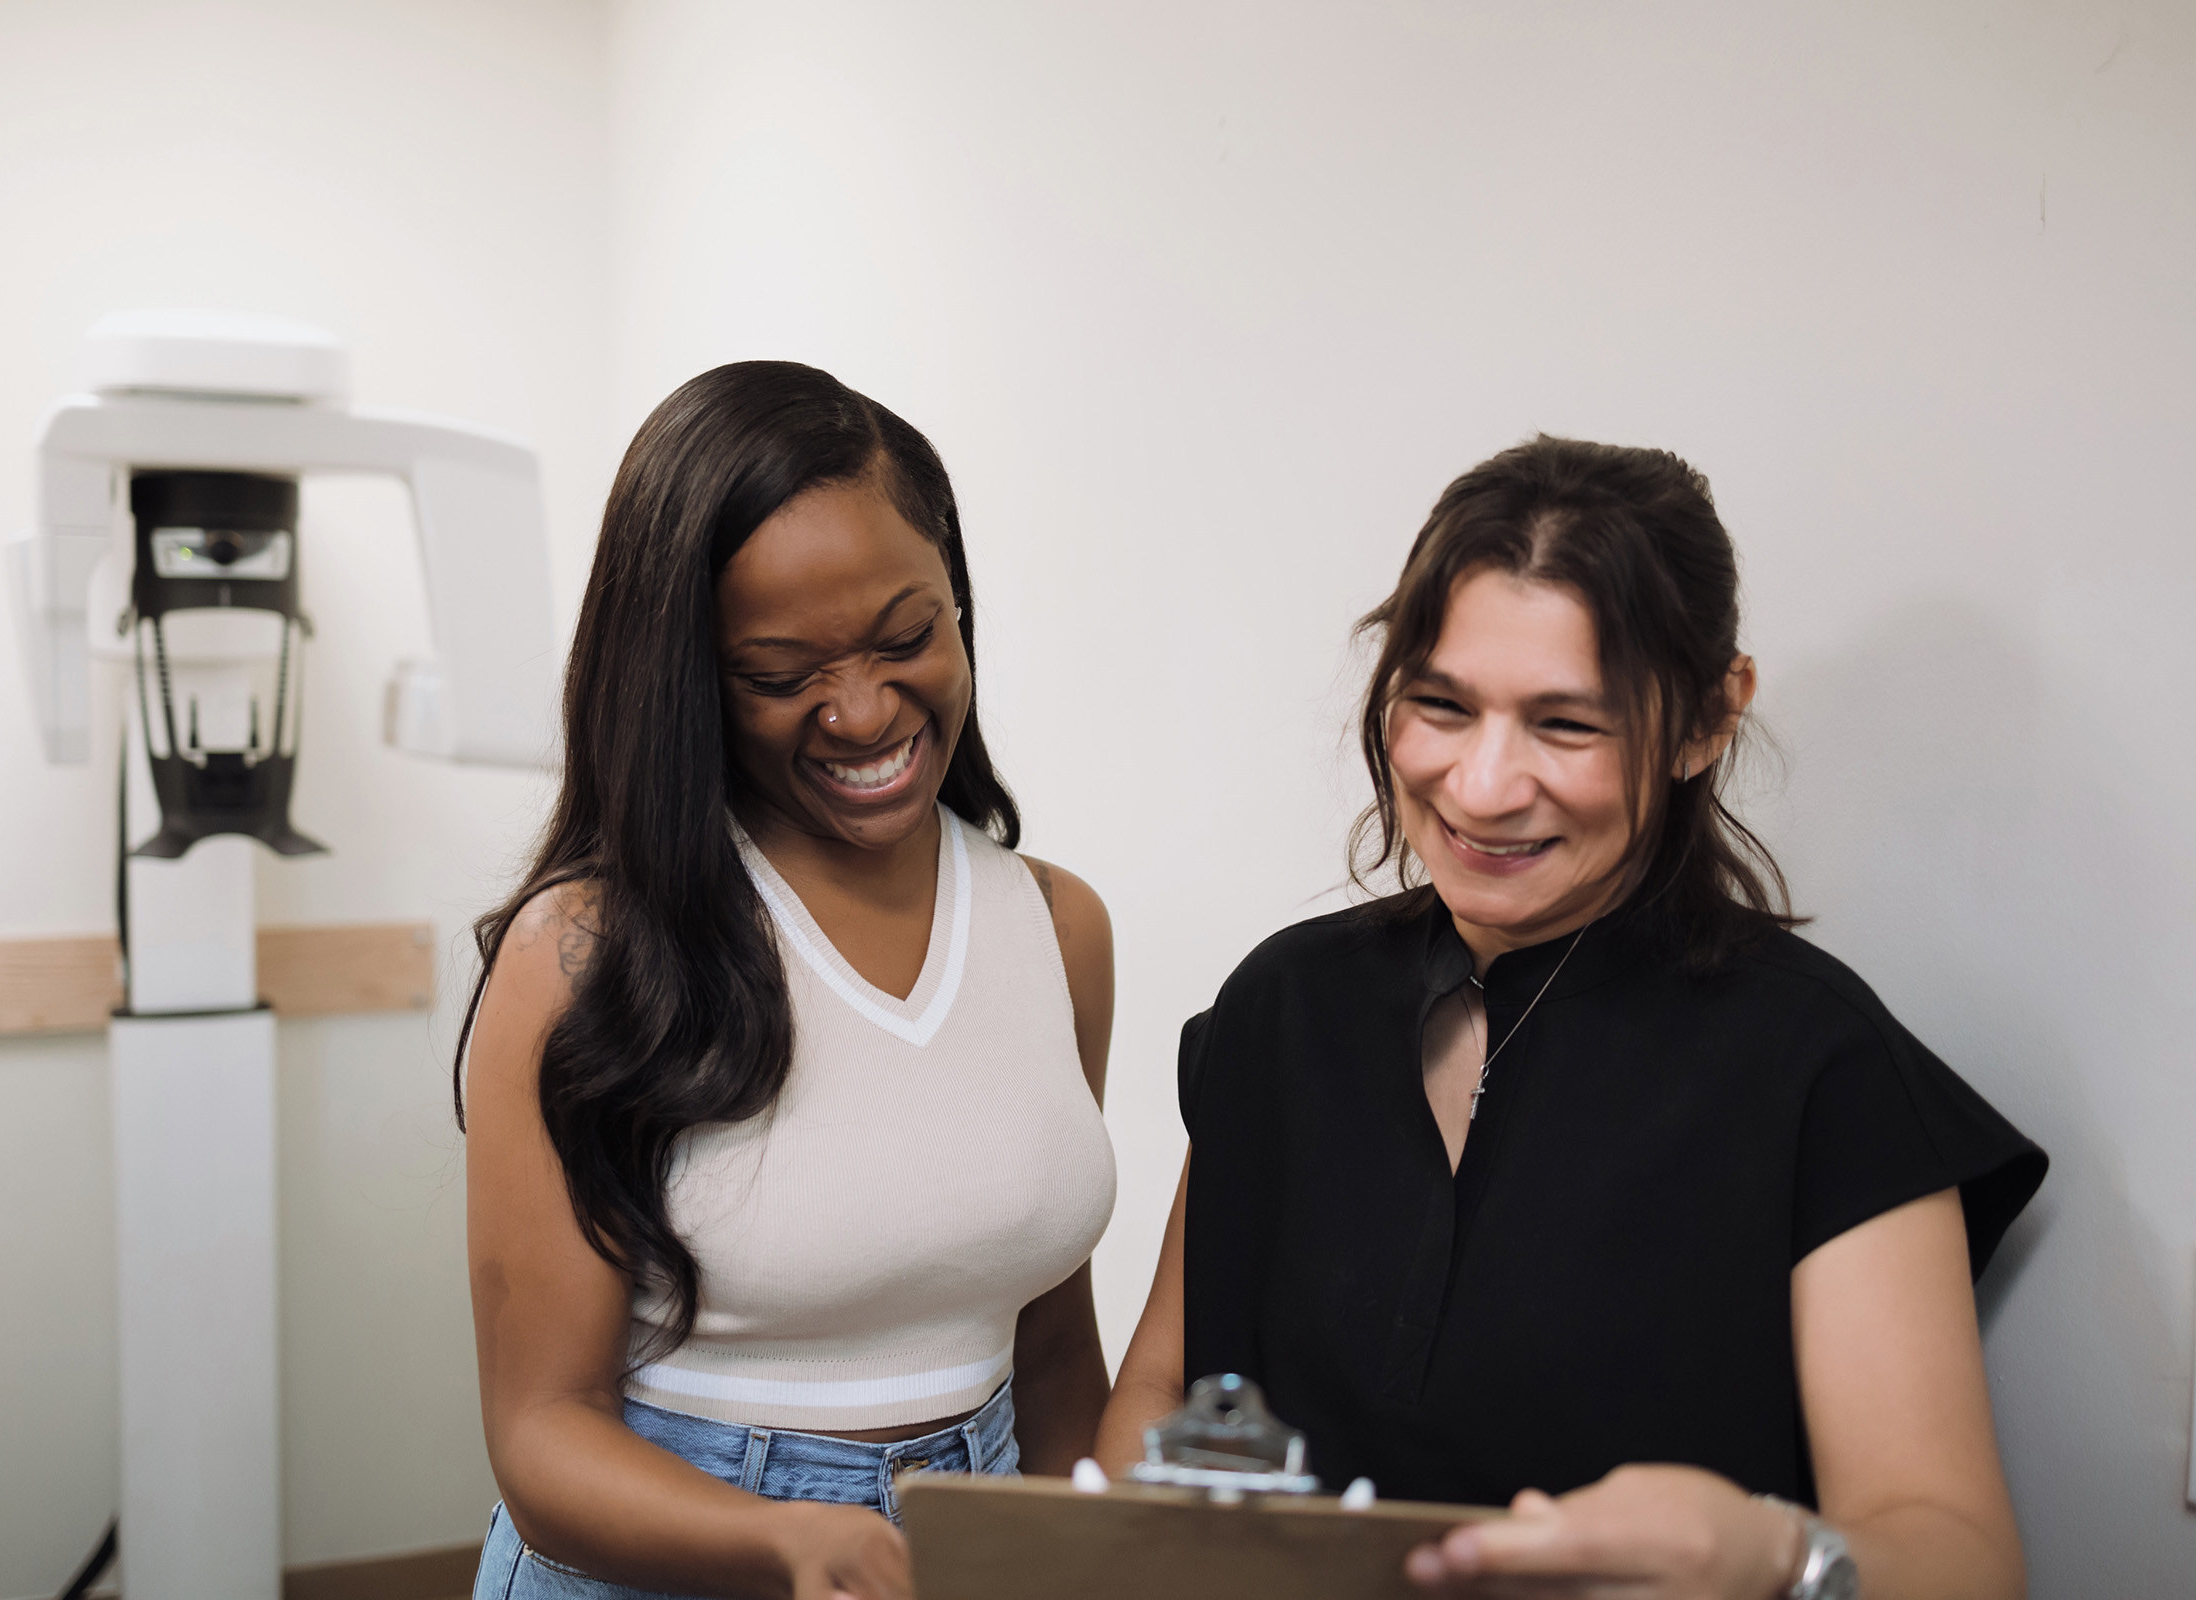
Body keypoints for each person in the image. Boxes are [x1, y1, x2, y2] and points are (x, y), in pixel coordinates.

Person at [1095, 436, 2046, 1600]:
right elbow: (1162, 1390)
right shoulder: (1281, 1009)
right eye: (1440, 705)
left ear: (1707, 718)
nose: (1484, 786)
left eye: (1566, 726)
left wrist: (1766, 1556)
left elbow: (1959, 1558)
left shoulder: (1817, 1066)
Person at [463, 362, 1117, 1600]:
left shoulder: (1057, 929)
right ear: (688, 678)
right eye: (780, 673)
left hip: (966, 1542)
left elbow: (1051, 1349)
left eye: (907, 636)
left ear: (958, 603)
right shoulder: (585, 954)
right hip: (667, 1560)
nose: (864, 710)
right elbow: (543, 1430)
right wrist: (786, 1537)